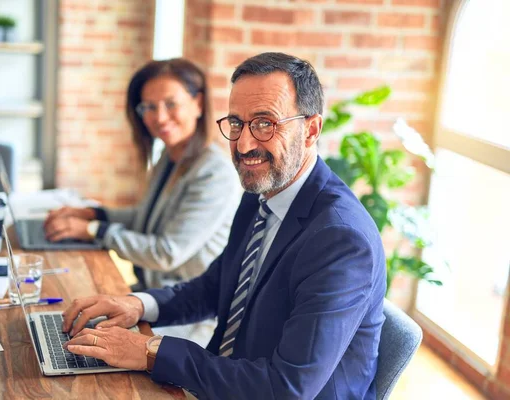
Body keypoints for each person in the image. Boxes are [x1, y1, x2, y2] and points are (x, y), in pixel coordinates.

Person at [61, 52, 387, 399]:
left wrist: (148, 350)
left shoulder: (341, 240)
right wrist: (138, 305)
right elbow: (217, 287)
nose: (244, 144)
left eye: (265, 123)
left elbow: (286, 389)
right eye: (236, 123)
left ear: (311, 129)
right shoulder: (261, 193)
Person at [44, 59, 240, 293]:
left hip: (186, 308)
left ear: (198, 103)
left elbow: (166, 253)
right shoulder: (170, 156)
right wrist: (93, 213)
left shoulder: (214, 172)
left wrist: (93, 230)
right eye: (148, 107)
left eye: (170, 104)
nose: (159, 117)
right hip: (153, 291)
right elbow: (147, 219)